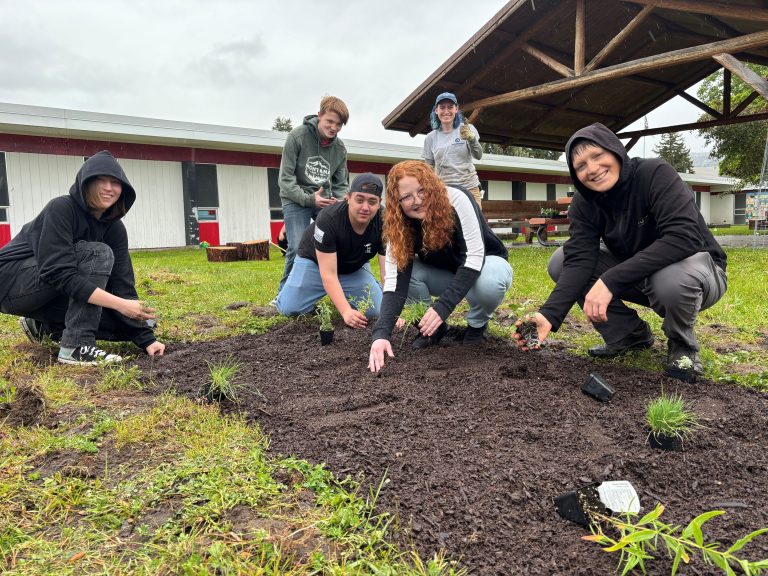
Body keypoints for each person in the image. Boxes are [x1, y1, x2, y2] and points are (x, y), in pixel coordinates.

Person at [515, 123, 727, 376]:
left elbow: (684, 238)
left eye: (597, 156)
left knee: (670, 280)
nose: (592, 169)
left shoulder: (654, 173)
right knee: (561, 261)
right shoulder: (585, 202)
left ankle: (682, 346)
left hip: (698, 272)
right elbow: (580, 258)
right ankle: (628, 334)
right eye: (580, 166)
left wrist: (610, 280)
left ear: (615, 151)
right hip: (641, 275)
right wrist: (549, 315)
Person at [0, 151, 165, 365]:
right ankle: (77, 346)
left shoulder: (114, 229)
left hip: (48, 292)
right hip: (10, 282)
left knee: (137, 322)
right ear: (84, 183)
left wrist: (146, 339)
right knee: (98, 253)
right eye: (100, 180)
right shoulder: (61, 208)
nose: (108, 187)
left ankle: (43, 326)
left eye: (115, 182)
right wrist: (120, 304)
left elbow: (123, 284)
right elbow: (58, 273)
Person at [368, 161, 512, 373]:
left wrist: (442, 308)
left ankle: (478, 324)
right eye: (406, 197)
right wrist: (381, 334)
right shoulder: (399, 225)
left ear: (432, 186)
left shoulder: (457, 199)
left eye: (422, 190)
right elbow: (393, 283)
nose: (417, 200)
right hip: (447, 274)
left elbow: (473, 257)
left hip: (484, 265)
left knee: (490, 281)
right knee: (409, 273)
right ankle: (432, 328)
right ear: (397, 203)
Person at [276, 173, 385, 327]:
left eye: (372, 202)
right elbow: (328, 274)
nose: (365, 207)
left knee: (376, 311)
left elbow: (387, 272)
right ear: (348, 198)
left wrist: (391, 312)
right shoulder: (329, 218)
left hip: (353, 268)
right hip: (315, 263)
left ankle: (347, 290)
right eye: (359, 200)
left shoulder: (385, 221)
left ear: (379, 202)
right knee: (289, 309)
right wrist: (346, 311)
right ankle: (290, 293)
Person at [278, 96, 350, 291]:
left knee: (336, 242)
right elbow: (285, 180)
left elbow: (342, 184)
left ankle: (336, 291)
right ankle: (284, 293)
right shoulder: (297, 137)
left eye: (339, 124)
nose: (334, 127)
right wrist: (309, 199)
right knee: (297, 247)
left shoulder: (340, 149)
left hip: (324, 201)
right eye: (330, 121)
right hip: (295, 199)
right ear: (319, 116)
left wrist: (341, 200)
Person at [422, 92, 484, 209]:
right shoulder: (430, 137)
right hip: (444, 191)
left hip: (469, 187)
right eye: (442, 107)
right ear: (436, 111)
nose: (446, 111)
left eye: (450, 107)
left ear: (456, 109)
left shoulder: (467, 129)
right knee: (447, 226)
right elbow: (429, 168)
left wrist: (471, 139)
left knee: (474, 225)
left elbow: (478, 155)